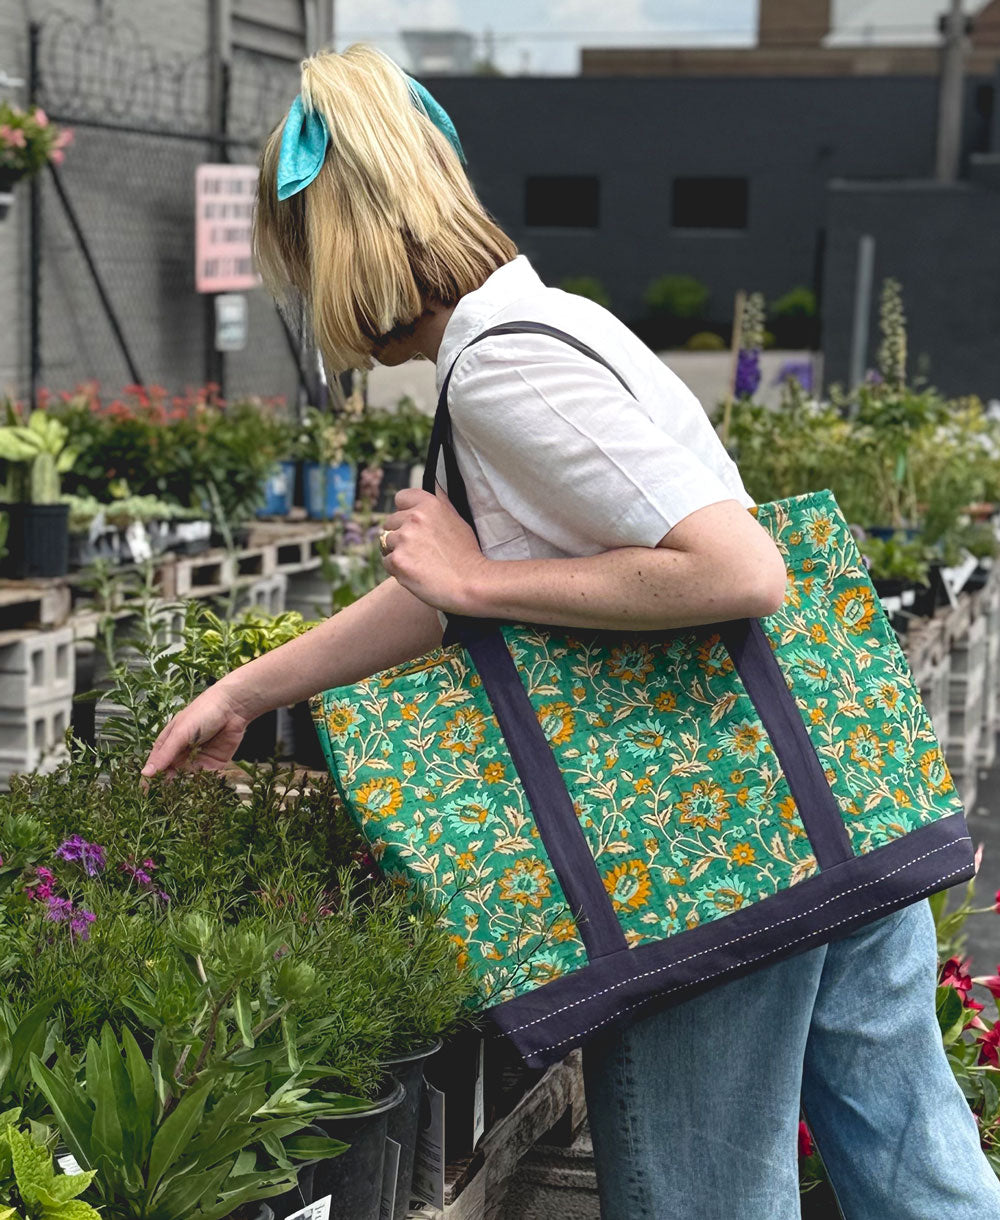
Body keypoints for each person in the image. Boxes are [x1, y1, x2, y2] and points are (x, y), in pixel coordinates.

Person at [141, 44, 1000, 1220]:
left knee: (706, 1197)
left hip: (711, 859)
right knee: (921, 1174)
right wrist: (250, 687)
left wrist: (484, 588)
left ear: (340, 251)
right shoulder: (556, 327)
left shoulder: (501, 374)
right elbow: (447, 590)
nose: (312, 316)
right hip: (826, 817)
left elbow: (736, 567)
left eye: (302, 275)